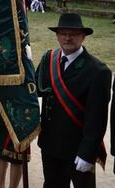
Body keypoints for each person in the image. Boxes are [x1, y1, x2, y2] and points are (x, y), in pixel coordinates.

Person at [36, 13, 111, 188]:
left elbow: (97, 119)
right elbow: (36, 90)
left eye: (73, 33)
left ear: (83, 37)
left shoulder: (97, 71)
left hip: (78, 149)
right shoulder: (49, 59)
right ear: (57, 35)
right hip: (50, 145)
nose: (67, 38)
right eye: (63, 33)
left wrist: (88, 153)